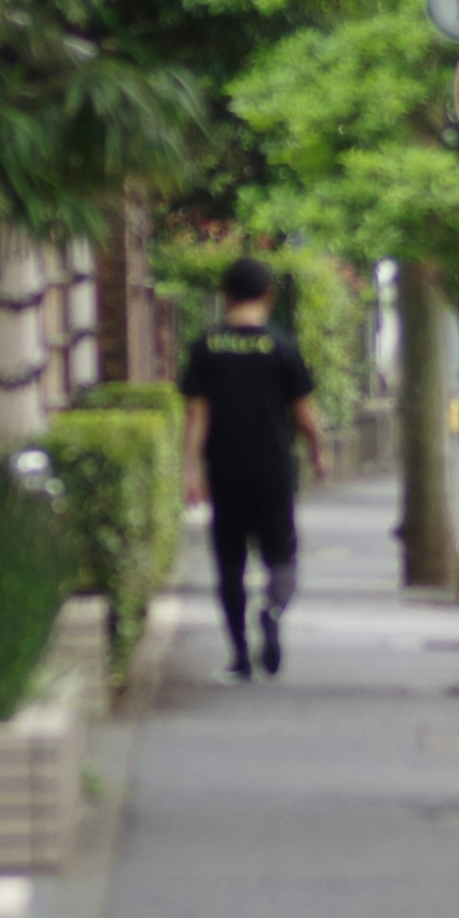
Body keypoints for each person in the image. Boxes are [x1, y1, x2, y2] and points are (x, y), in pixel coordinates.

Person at [179, 258, 328, 679]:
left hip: (224, 469)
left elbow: (197, 414)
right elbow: (303, 412)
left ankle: (240, 655)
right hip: (272, 469)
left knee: (229, 564)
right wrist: (318, 451)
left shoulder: (206, 346)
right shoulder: (281, 345)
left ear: (224, 295)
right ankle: (274, 611)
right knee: (281, 557)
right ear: (268, 295)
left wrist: (190, 468)